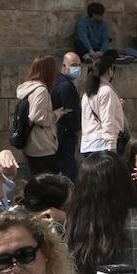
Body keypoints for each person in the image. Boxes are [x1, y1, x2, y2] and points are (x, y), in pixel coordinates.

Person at [16, 55, 62, 173]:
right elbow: (37, 116)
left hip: (31, 144)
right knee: (50, 180)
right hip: (42, 145)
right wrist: (56, 114)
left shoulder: (29, 87)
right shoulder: (41, 90)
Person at [80, 50, 123, 155]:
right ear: (109, 70)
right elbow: (108, 120)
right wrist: (112, 147)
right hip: (102, 146)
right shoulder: (106, 91)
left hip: (87, 145)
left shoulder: (87, 93)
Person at [52, 51, 82, 179]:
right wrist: (79, 132)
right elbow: (70, 112)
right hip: (65, 135)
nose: (77, 69)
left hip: (58, 133)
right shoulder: (66, 87)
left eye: (79, 65)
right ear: (64, 66)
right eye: (74, 65)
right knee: (68, 172)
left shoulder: (58, 82)